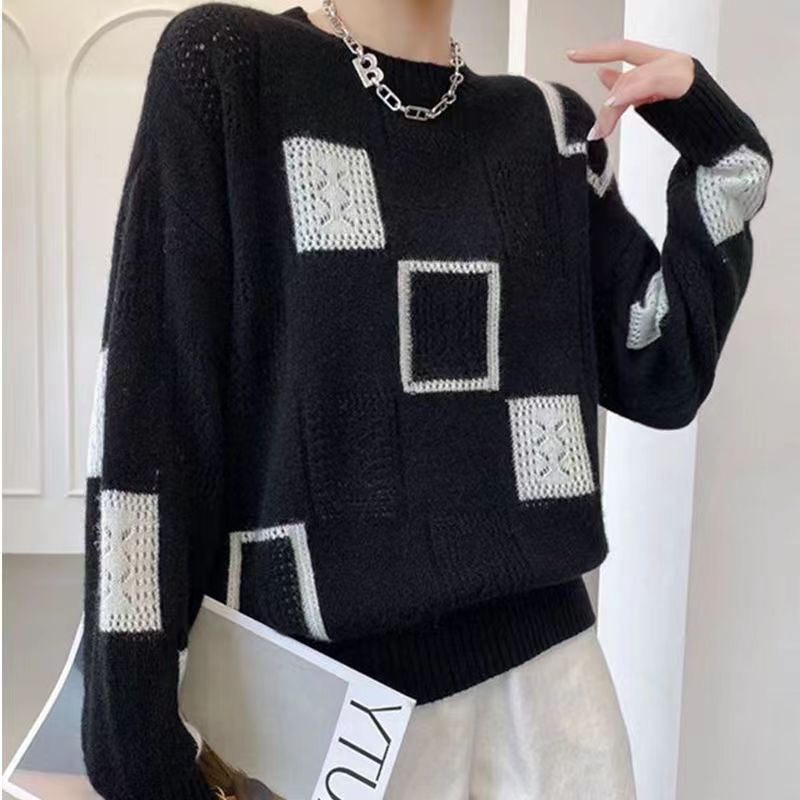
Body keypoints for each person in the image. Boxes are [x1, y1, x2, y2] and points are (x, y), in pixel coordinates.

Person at [79, 1, 772, 798]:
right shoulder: (233, 68)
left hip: (553, 707)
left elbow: (662, 370)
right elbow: (151, 420)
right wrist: (138, 750)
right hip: (319, 721)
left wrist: (722, 149)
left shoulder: (546, 127)